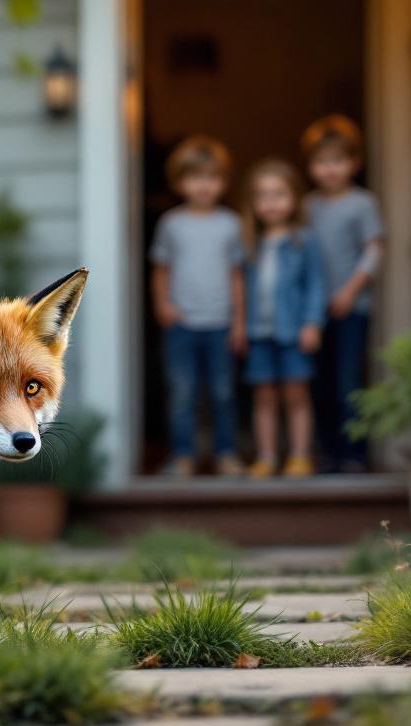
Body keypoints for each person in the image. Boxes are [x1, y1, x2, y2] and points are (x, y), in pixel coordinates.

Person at [150, 136, 246, 477]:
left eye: (212, 177)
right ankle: (183, 456)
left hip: (221, 322)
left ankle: (226, 454)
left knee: (223, 393)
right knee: (183, 393)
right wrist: (163, 305)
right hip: (182, 322)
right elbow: (161, 269)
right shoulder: (171, 224)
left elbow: (237, 276)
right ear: (179, 182)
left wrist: (239, 322)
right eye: (195, 177)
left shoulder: (231, 224)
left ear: (223, 182)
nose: (204, 186)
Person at [301, 115, 385, 473]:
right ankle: (328, 452)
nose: (330, 169)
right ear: (310, 167)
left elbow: (374, 250)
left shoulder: (362, 203)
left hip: (352, 306)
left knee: (349, 381)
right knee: (318, 382)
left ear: (354, 162)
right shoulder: (307, 207)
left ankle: (354, 454)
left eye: (338, 161)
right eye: (322, 162)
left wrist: (350, 291)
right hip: (313, 311)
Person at [238, 159, 326, 478]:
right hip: (259, 332)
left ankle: (300, 454)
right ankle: (266, 455)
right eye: (262, 196)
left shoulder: (304, 241)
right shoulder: (250, 243)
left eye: (279, 194)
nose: (271, 203)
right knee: (264, 396)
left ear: (294, 199)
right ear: (252, 203)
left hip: (294, 332)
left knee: (296, 394)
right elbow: (240, 289)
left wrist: (312, 323)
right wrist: (240, 327)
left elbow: (316, 285)